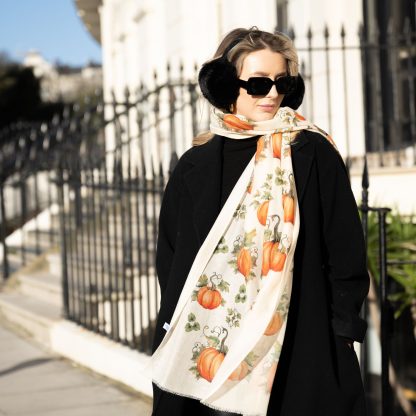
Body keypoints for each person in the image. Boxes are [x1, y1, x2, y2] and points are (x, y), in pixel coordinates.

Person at [149, 27, 370, 416]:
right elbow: (171, 259)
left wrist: (342, 333)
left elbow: (345, 250)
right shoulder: (195, 166)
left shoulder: (312, 153)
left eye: (281, 82)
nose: (271, 94)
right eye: (257, 83)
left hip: (301, 343)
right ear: (224, 86)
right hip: (211, 346)